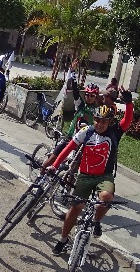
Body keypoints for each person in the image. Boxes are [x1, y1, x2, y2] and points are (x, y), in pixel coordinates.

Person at [48, 91, 134, 256]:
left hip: (104, 176)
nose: (100, 124)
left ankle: (95, 222)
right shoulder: (86, 131)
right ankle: (63, 240)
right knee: (75, 209)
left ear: (109, 122)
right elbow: (68, 149)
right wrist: (55, 165)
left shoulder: (114, 132)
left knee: (106, 198)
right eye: (98, 120)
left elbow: (127, 120)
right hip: (85, 176)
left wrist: (129, 103)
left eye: (104, 121)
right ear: (94, 119)